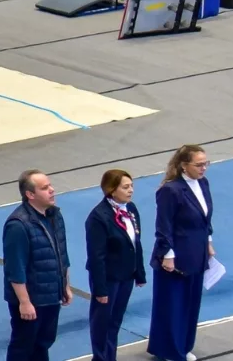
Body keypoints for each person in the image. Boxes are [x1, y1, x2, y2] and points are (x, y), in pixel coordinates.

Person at [149, 144, 214, 361]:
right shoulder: (171, 190)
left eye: (206, 163)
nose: (204, 168)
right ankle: (170, 350)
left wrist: (209, 241)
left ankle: (184, 345)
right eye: (199, 164)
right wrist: (167, 254)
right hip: (175, 258)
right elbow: (163, 225)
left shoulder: (202, 183)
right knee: (173, 306)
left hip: (197, 253)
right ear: (184, 166)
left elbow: (205, 218)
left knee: (191, 304)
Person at [2, 169, 70, 361]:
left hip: (51, 294)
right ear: (30, 195)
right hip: (31, 300)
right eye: (45, 188)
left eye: (50, 185)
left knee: (43, 344)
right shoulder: (18, 225)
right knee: (23, 348)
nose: (52, 190)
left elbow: (61, 253)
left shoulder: (55, 216)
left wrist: (65, 285)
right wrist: (24, 302)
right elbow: (15, 267)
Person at [81, 168, 145, 361]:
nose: (131, 190)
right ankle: (101, 358)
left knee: (115, 322)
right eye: (125, 187)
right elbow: (96, 256)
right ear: (111, 189)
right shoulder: (98, 217)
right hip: (108, 279)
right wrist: (100, 289)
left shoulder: (131, 209)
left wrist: (139, 273)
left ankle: (111, 357)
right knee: (102, 324)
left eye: (131, 186)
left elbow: (136, 242)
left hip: (126, 276)